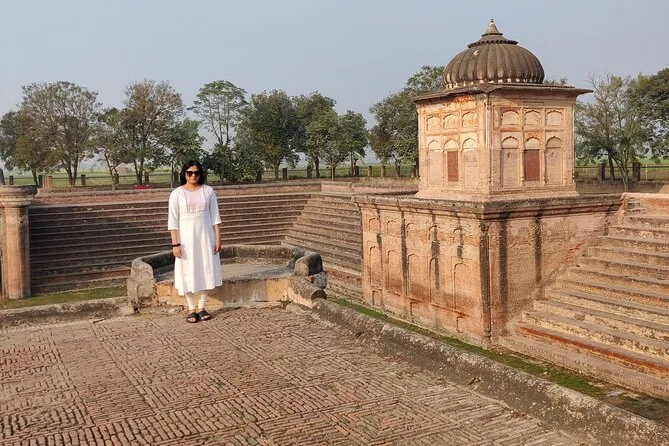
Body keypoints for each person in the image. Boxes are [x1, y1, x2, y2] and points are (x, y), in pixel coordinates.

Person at [168, 160, 222, 323]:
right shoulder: (177, 194)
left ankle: (202, 307)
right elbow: (173, 221)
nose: (193, 176)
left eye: (196, 172)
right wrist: (175, 244)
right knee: (187, 270)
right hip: (185, 240)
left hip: (205, 237)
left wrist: (218, 238)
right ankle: (191, 308)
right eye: (190, 173)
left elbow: (215, 217)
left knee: (205, 267)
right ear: (184, 174)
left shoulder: (208, 191)